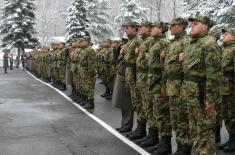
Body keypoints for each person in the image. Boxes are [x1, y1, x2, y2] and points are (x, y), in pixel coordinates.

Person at [179, 16, 222, 155]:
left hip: (202, 95)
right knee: (195, 130)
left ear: (205, 26)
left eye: (196, 24)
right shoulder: (192, 44)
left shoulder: (209, 44)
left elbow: (214, 75)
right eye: (192, 24)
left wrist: (210, 99)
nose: (192, 25)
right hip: (190, 95)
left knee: (205, 132)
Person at [218, 27, 235, 153]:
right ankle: (230, 138)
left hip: (231, 87)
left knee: (233, 115)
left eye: (227, 34)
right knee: (226, 115)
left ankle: (234, 141)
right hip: (223, 87)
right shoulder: (223, 48)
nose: (224, 35)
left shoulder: (234, 49)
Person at [112, 38, 133, 133]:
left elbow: (129, 62)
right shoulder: (122, 52)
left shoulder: (128, 53)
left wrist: (125, 52)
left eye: (124, 44)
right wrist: (118, 51)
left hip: (126, 78)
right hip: (121, 77)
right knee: (121, 103)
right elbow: (115, 60)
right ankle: (124, 124)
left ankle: (127, 125)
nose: (122, 46)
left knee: (127, 104)